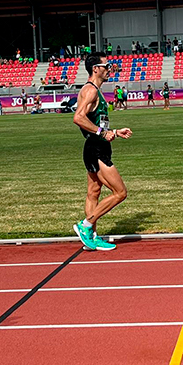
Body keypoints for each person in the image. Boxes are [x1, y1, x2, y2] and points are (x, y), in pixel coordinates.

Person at [72, 52, 132, 251]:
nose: (109, 69)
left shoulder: (94, 90)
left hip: (95, 145)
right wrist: (101, 132)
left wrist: (113, 132)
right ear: (95, 69)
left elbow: (96, 122)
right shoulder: (90, 91)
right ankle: (86, 225)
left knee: (93, 192)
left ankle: (91, 238)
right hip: (96, 149)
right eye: (107, 66)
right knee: (120, 192)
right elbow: (78, 118)